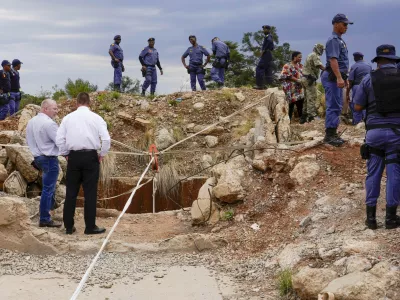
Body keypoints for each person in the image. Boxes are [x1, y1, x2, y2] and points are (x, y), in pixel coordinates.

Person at [353, 44, 400, 230]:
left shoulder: (368, 79)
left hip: (374, 134)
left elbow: (357, 107)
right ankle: (390, 218)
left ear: (378, 61)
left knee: (373, 174)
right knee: (394, 174)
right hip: (397, 135)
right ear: (394, 60)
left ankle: (371, 219)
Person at [56, 92, 110, 235]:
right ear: (89, 102)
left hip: (73, 157)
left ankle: (68, 227)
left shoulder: (67, 118)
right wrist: (102, 155)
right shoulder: (96, 118)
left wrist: (66, 154)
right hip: (91, 157)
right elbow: (106, 140)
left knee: (71, 193)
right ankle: (90, 227)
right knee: (90, 193)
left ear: (77, 102)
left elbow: (59, 139)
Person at [26, 99, 62, 228]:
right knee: (48, 189)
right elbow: (60, 142)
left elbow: (28, 140)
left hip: (37, 158)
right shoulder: (49, 124)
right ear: (45, 108)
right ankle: (45, 218)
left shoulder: (31, 122)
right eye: (54, 108)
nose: (56, 111)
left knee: (48, 188)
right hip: (49, 158)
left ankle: (50, 212)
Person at [322, 14, 353, 147]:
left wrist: (343, 78)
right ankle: (329, 135)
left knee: (337, 105)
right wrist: (339, 77)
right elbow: (333, 60)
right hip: (332, 77)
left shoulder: (339, 40)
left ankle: (333, 133)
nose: (346, 27)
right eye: (344, 24)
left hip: (337, 76)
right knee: (333, 105)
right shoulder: (333, 40)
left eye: (347, 25)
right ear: (336, 24)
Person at [300, 44, 325, 123]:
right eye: (321, 49)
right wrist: (327, 69)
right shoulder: (315, 55)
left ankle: (303, 117)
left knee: (307, 98)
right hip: (309, 79)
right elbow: (319, 65)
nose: (322, 51)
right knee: (312, 97)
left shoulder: (310, 55)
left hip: (305, 78)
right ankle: (311, 116)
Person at [346, 52, 372, 125]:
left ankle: (357, 122)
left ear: (355, 58)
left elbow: (350, 81)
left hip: (357, 86)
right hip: (368, 86)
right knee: (366, 104)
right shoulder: (369, 65)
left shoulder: (354, 66)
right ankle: (366, 122)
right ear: (362, 57)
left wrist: (347, 93)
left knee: (356, 104)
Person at [280, 51, 304, 122]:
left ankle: (301, 120)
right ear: (294, 57)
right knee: (291, 104)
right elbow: (285, 75)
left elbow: (304, 73)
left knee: (300, 103)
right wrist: (297, 80)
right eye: (299, 57)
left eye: (301, 57)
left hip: (299, 89)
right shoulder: (287, 66)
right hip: (291, 89)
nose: (300, 59)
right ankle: (288, 120)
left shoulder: (300, 66)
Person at [254, 25, 275, 90]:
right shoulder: (270, 36)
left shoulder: (268, 36)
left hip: (266, 54)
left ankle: (259, 85)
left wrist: (264, 50)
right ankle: (268, 85)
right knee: (267, 70)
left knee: (259, 68)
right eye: (263, 29)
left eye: (264, 29)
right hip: (269, 54)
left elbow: (269, 41)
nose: (263, 30)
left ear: (268, 30)